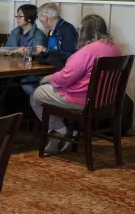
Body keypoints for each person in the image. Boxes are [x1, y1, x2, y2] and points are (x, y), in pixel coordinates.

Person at [31, 14, 121, 154]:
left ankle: (60, 131)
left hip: (81, 99)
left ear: (84, 31)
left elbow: (66, 77)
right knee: (45, 93)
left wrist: (48, 78)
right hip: (105, 101)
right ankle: (62, 131)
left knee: (36, 94)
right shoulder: (114, 49)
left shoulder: (87, 51)